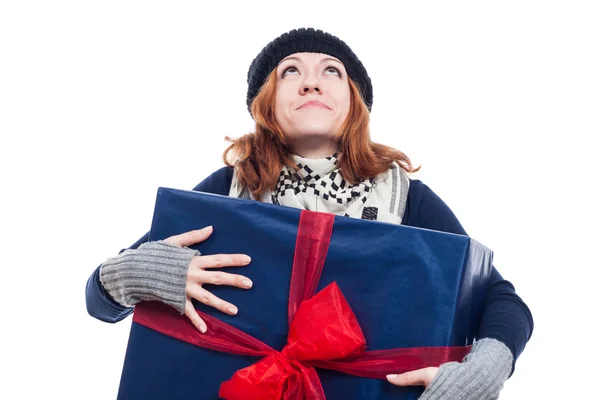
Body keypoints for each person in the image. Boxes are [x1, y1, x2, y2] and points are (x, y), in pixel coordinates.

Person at [86, 27, 533, 399]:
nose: (311, 82)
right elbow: (99, 301)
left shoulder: (407, 199)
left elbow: (502, 300)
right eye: (291, 71)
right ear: (267, 103)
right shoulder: (226, 190)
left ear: (354, 102)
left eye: (331, 71)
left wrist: (484, 370)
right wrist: (132, 274)